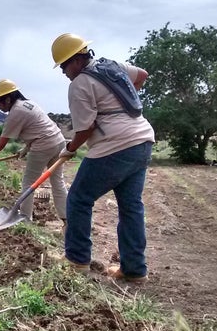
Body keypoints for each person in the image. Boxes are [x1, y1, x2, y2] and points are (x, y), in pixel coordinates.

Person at [51, 33, 155, 283]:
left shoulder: (79, 84)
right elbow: (141, 76)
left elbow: (84, 128)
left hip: (115, 146)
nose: (64, 72)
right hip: (142, 140)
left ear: (77, 59)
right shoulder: (113, 66)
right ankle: (134, 270)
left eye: (64, 65)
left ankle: (76, 260)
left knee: (78, 199)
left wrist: (70, 148)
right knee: (131, 207)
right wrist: (123, 102)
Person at [0, 79, 68, 225]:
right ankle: (67, 218)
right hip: (59, 141)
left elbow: (2, 144)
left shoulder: (15, 113)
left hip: (43, 146)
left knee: (28, 183)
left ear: (8, 99)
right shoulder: (29, 104)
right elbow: (39, 128)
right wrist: (25, 148)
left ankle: (25, 219)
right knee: (57, 182)